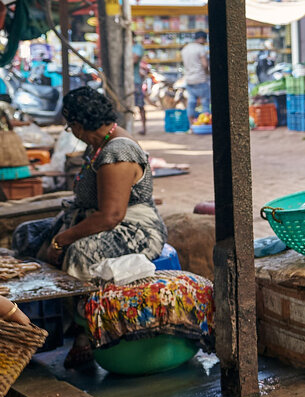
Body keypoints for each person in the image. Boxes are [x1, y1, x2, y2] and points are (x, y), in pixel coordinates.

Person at [12, 88, 179, 367]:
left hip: (134, 229)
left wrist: (61, 240)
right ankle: (40, 320)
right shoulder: (99, 143)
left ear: (77, 125)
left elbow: (111, 215)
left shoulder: (119, 150)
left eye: (69, 125)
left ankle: (83, 333)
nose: (70, 130)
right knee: (26, 234)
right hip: (96, 218)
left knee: (78, 253)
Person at [182, 30, 210, 117]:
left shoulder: (185, 49)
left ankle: (191, 126)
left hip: (189, 80)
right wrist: (207, 73)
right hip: (200, 79)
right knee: (205, 103)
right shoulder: (200, 48)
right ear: (202, 39)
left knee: (191, 102)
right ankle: (206, 124)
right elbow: (205, 65)